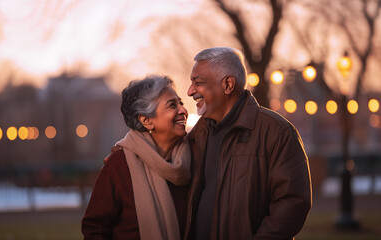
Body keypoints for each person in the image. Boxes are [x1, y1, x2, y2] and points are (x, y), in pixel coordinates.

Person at [184, 47, 312, 240]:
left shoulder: (276, 132)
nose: (190, 91)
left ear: (227, 84)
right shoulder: (197, 136)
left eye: (198, 83)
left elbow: (292, 204)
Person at [82, 75, 191, 240]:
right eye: (172, 105)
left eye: (181, 103)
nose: (183, 110)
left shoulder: (193, 158)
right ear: (147, 121)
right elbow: (94, 229)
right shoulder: (119, 164)